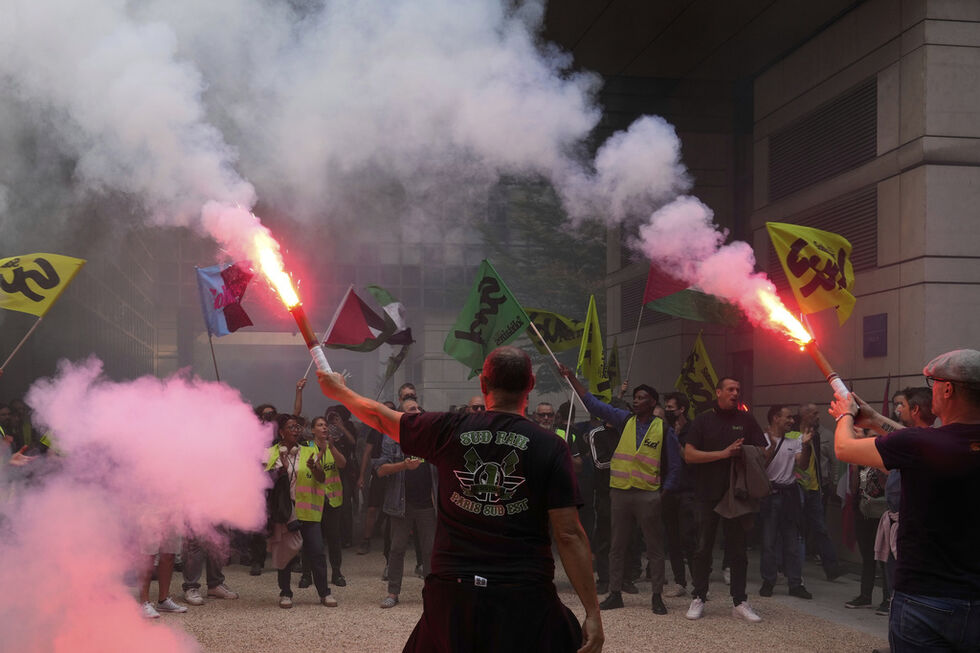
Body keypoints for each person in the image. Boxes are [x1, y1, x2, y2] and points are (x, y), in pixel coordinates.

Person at [317, 345, 603, 652]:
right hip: (524, 596)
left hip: (454, 597)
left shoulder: (448, 429)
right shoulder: (550, 445)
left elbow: (381, 417)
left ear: (483, 383)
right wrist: (592, 612)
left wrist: (341, 392)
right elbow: (568, 534)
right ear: (530, 384)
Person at [831, 349, 980, 652]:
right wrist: (875, 419)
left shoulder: (920, 444)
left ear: (948, 389)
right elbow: (921, 443)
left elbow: (844, 448)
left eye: (933, 384)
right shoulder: (924, 444)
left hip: (924, 599)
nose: (931, 390)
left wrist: (845, 414)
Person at [558, 364, 680, 615]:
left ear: (652, 402)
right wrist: (571, 378)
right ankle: (615, 593)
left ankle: (657, 596)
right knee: (617, 545)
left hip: (648, 494)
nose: (636, 401)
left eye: (642, 398)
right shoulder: (625, 420)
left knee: (654, 548)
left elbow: (676, 466)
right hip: (621, 493)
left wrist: (663, 494)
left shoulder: (664, 429)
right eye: (635, 397)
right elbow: (592, 404)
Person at [684, 377, 767, 623]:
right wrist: (723, 454)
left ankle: (739, 601)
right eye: (730, 389)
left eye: (738, 389)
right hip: (706, 493)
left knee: (738, 550)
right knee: (703, 548)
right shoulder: (703, 420)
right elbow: (689, 455)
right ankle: (699, 596)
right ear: (718, 392)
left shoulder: (746, 419)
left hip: (736, 495)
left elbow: (763, 451)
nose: (735, 393)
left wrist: (746, 452)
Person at [265, 414, 339, 608]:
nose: (296, 430)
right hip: (285, 513)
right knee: (286, 554)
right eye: (291, 427)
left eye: (298, 427)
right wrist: (278, 472)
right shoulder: (271, 453)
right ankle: (285, 593)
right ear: (282, 432)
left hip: (308, 511)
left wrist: (314, 468)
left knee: (317, 552)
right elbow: (263, 482)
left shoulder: (309, 450)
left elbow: (321, 478)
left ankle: (324, 593)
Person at [374, 398, 437, 609]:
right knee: (397, 549)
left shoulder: (429, 438)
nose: (417, 411)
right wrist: (404, 465)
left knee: (430, 551)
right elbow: (380, 470)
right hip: (401, 504)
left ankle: (431, 593)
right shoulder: (391, 439)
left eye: (419, 408)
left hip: (427, 504)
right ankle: (393, 593)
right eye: (412, 409)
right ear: (402, 416)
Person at [758, 405, 813, 599]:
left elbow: (802, 465)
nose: (792, 421)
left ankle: (795, 584)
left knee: (792, 543)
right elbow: (759, 467)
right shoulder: (762, 439)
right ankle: (768, 581)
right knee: (768, 542)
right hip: (770, 495)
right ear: (775, 418)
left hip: (790, 495)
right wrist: (772, 448)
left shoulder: (795, 440)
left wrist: (806, 445)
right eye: (788, 417)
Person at [299, 415, 348, 588]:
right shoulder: (306, 447)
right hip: (312, 501)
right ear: (313, 430)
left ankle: (336, 573)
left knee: (334, 539)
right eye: (320, 425)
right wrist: (320, 452)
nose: (324, 428)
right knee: (309, 540)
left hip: (332, 500)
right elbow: (306, 468)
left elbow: (342, 464)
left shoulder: (333, 447)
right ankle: (306, 575)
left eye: (325, 425)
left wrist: (331, 448)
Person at [797, 402, 842, 581]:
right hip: (797, 488)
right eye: (814, 413)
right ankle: (791, 570)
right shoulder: (792, 434)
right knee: (796, 530)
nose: (818, 416)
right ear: (804, 415)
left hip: (815, 488)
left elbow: (832, 461)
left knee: (820, 528)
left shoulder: (819, 436)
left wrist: (831, 484)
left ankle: (832, 568)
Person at [662, 392, 697, 598]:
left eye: (670, 408)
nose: (667, 411)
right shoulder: (665, 429)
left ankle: (698, 583)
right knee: (672, 538)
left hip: (687, 491)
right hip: (669, 491)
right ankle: (679, 582)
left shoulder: (693, 430)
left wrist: (675, 440)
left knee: (689, 538)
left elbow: (690, 458)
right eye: (666, 407)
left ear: (682, 409)